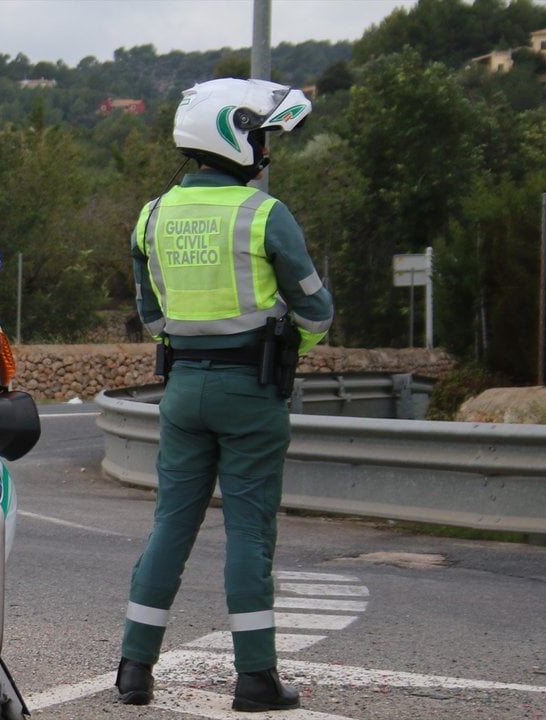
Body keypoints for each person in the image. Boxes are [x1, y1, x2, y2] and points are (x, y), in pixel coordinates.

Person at [116, 78, 334, 713]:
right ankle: (256, 679)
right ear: (233, 133)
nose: (265, 150)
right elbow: (316, 311)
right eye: (261, 136)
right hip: (251, 391)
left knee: (170, 527)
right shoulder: (263, 213)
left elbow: (149, 314)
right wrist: (281, 345)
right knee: (248, 532)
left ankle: (134, 669)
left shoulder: (151, 216)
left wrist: (193, 341)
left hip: (182, 389)